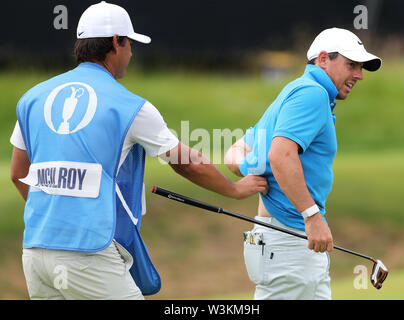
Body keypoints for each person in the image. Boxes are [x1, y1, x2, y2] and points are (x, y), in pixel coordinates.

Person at [9, 1, 268, 300]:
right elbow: (186, 162)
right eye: (130, 43)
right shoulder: (130, 105)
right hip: (87, 252)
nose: (131, 53)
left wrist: (57, 213)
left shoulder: (32, 98)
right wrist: (235, 189)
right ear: (117, 42)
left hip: (36, 251)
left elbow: (18, 174)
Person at [224, 27, 381, 300]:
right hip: (289, 239)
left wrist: (253, 168)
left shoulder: (294, 90)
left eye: (361, 67)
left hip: (285, 240)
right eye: (351, 65)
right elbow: (281, 154)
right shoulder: (313, 94)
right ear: (322, 59)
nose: (359, 75)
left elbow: (235, 152)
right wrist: (312, 216)